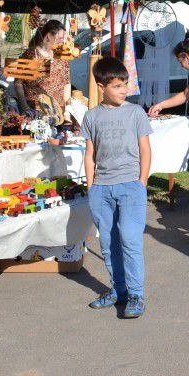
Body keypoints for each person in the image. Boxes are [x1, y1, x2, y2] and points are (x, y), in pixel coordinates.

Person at [81, 57, 152, 318]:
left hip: (130, 186)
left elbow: (145, 148)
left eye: (125, 85)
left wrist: (141, 182)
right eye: (118, 86)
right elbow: (90, 153)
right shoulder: (91, 116)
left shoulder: (135, 112)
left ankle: (136, 294)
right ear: (102, 86)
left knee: (130, 240)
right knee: (109, 244)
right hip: (102, 189)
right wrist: (91, 187)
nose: (124, 90)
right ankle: (118, 290)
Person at [19, 20, 70, 119]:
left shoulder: (62, 55)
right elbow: (18, 83)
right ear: (48, 36)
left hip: (59, 112)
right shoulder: (30, 55)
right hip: (36, 112)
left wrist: (67, 108)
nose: (62, 41)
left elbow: (67, 82)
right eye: (60, 38)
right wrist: (25, 107)